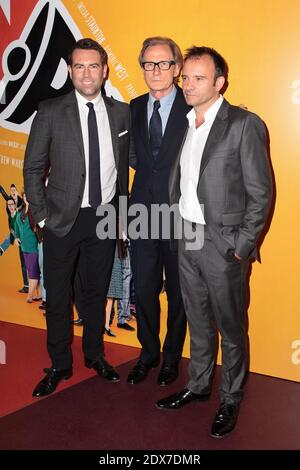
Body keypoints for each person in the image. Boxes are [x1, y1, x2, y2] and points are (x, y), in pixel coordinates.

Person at [156, 46, 273, 439]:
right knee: (198, 321)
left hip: (223, 244)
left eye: (198, 78)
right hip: (186, 235)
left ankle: (230, 397)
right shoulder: (186, 122)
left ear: (219, 82)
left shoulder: (243, 124)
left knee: (231, 327)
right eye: (185, 77)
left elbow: (260, 194)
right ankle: (198, 384)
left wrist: (240, 245)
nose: (188, 84)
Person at [23, 38, 130, 397]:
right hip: (61, 220)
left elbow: (125, 169)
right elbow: (33, 167)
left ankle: (95, 355)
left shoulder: (121, 113)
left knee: (96, 293)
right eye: (79, 66)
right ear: (70, 71)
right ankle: (59, 364)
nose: (87, 73)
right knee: (58, 297)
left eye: (94, 66)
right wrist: (41, 216)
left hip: (104, 218)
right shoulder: (51, 110)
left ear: (104, 70)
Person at [127, 37, 189, 387]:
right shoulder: (133, 107)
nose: (155, 70)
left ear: (177, 68)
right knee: (145, 287)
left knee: (179, 292)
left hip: (182, 217)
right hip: (141, 214)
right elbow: (133, 159)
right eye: (149, 64)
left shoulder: (193, 104)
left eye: (164, 63)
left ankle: (170, 359)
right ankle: (147, 353)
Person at [14, 193, 40, 303]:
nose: (27, 198)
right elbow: (16, 226)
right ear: (23, 198)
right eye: (25, 196)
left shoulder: (36, 211)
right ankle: (38, 294)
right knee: (30, 270)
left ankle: (29, 295)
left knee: (33, 271)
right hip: (24, 247)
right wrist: (16, 237)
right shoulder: (21, 211)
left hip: (33, 245)